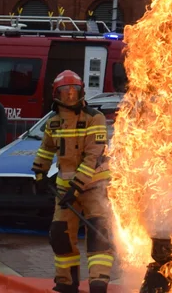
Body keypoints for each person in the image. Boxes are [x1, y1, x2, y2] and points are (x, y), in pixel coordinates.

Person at [31, 70, 114, 293]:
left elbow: (93, 155)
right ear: (56, 94)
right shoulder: (54, 122)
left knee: (97, 234)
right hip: (64, 191)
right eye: (65, 92)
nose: (70, 96)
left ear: (81, 92)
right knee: (60, 235)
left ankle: (98, 282)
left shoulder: (93, 118)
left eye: (73, 91)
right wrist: (39, 173)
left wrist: (76, 187)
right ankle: (66, 282)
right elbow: (46, 149)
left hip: (93, 188)